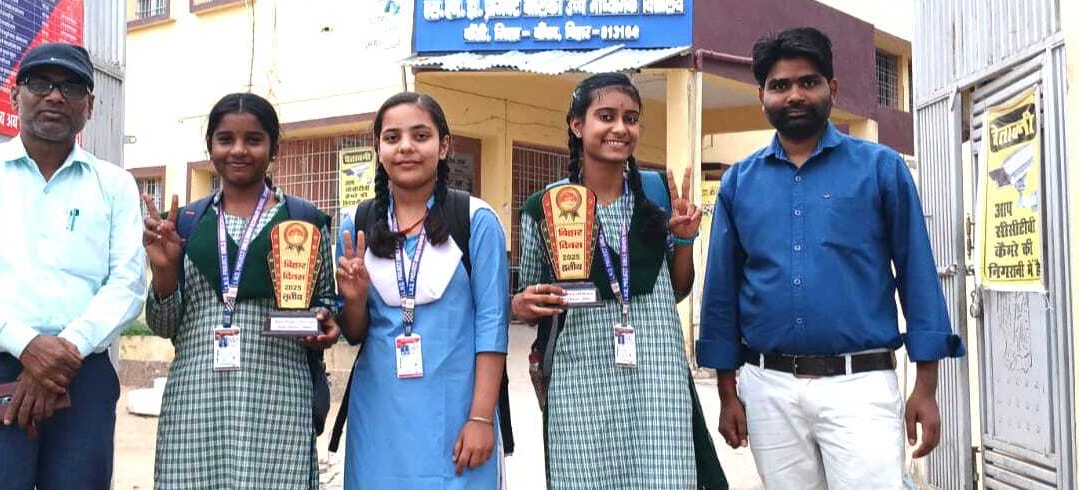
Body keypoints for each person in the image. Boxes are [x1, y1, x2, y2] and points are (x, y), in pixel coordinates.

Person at [698, 27, 966, 489]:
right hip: (768, 389)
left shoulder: (880, 169)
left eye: (808, 82)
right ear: (762, 96)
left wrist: (925, 387)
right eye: (780, 85)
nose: (794, 95)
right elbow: (721, 290)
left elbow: (917, 274)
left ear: (832, 88)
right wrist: (727, 391)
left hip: (860, 386)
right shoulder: (739, 182)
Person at [0, 42, 147, 489]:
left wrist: (62, 351)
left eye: (71, 87)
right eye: (40, 84)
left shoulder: (115, 185)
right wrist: (27, 345)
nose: (55, 96)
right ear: (15, 96)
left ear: (90, 105)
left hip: (83, 375)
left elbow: (127, 283)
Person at [511, 72, 711, 489]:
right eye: (607, 116)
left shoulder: (656, 196)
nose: (621, 128)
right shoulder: (545, 206)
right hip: (581, 378)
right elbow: (530, 303)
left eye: (631, 118)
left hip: (657, 376)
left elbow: (677, 289)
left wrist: (685, 239)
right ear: (577, 124)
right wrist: (521, 303)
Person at [143, 93, 340, 489]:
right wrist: (164, 270)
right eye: (225, 139)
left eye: (253, 139)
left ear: (273, 148)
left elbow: (325, 306)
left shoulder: (302, 223)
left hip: (278, 403)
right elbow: (164, 326)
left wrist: (323, 323)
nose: (238, 150)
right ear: (210, 147)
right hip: (197, 405)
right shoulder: (186, 225)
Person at [335, 92, 509, 489]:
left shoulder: (476, 220)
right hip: (378, 418)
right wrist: (355, 299)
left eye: (420, 135)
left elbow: (493, 325)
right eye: (392, 137)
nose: (406, 147)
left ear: (444, 146)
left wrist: (481, 418)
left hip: (457, 416)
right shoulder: (357, 225)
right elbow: (355, 332)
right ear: (378, 149)